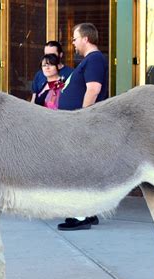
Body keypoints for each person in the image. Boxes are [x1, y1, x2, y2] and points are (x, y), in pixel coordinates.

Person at [57, 22, 109, 231]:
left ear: (86, 39)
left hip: (82, 123)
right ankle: (89, 212)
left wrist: (82, 116)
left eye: (75, 38)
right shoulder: (89, 60)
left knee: (77, 168)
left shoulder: (95, 59)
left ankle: (80, 216)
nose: (73, 42)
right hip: (77, 123)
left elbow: (93, 89)